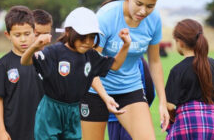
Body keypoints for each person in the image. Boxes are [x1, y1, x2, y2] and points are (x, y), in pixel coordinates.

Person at [79, 0, 169, 140]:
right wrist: (105, 97)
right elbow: (90, 64)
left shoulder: (154, 20)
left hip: (130, 88)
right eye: (139, 4)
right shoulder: (106, 16)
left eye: (150, 6)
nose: (143, 11)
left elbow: (155, 62)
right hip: (95, 90)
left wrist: (163, 102)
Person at [21, 7, 131, 140]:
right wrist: (34, 47)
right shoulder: (54, 52)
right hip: (51, 110)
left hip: (73, 110)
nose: (88, 42)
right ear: (68, 32)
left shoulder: (91, 56)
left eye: (92, 37)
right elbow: (25, 61)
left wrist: (125, 45)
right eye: (82, 37)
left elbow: (115, 65)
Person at [165, 19, 214, 140]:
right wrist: (209, 115)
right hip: (211, 124)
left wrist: (175, 119)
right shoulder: (213, 64)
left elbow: (169, 106)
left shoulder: (177, 70)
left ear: (180, 42)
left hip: (185, 124)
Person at [0, 5, 44, 140]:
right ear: (8, 35)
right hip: (13, 131)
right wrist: (1, 131)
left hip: (42, 129)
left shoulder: (44, 60)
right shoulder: (3, 65)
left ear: (34, 32)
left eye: (27, 34)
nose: (23, 39)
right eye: (17, 35)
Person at [107, 57, 155, 140]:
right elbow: (150, 90)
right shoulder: (138, 59)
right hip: (132, 114)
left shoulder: (105, 57)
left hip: (116, 116)